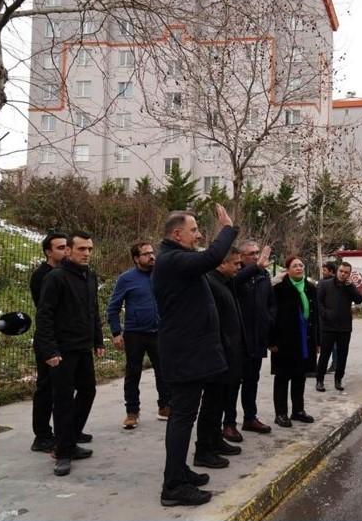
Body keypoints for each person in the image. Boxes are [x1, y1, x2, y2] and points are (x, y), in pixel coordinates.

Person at [152, 205, 237, 507]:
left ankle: (179, 471)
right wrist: (226, 227)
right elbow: (213, 257)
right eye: (194, 229)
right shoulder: (173, 260)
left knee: (186, 417)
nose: (199, 234)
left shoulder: (177, 260)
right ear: (177, 234)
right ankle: (173, 486)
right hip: (184, 354)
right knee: (182, 418)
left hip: (192, 352)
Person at [34, 231, 104, 477]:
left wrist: (98, 339)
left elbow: (92, 310)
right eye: (81, 249)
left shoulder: (90, 277)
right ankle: (63, 452)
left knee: (88, 391)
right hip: (62, 351)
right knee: (62, 399)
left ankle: (68, 440)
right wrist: (49, 349)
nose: (86, 253)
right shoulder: (56, 278)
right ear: (70, 251)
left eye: (90, 249)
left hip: (83, 347)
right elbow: (44, 316)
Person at [107, 241, 170, 430]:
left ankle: (165, 407)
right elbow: (113, 307)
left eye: (152, 253)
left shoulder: (161, 276)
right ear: (136, 258)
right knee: (133, 373)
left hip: (158, 332)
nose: (152, 257)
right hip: (134, 333)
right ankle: (132, 412)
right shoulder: (126, 279)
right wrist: (116, 332)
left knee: (164, 371)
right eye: (146, 254)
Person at [222, 241, 275, 442]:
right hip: (237, 339)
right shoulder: (235, 274)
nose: (255, 256)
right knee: (233, 382)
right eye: (251, 253)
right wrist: (256, 267)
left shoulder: (263, 275)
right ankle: (228, 423)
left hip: (257, 337)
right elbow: (234, 284)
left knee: (252, 380)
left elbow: (271, 302)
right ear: (241, 256)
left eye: (257, 253)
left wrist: (269, 321)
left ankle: (250, 417)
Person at [199, 247, 247, 463]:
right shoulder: (210, 284)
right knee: (210, 404)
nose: (239, 267)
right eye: (235, 263)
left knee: (219, 402)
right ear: (221, 263)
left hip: (230, 354)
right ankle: (204, 450)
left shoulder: (225, 282)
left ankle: (215, 440)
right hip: (217, 356)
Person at [28, 232, 69, 454]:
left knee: (65, 388)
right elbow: (46, 311)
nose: (65, 250)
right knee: (46, 387)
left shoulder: (66, 273)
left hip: (66, 340)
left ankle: (66, 430)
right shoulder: (41, 276)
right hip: (49, 339)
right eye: (60, 247)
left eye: (66, 246)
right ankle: (42, 435)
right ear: (48, 252)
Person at [269, 256, 318, 428]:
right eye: (295, 266)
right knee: (283, 377)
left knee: (300, 376)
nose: (299, 268)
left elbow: (316, 315)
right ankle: (280, 413)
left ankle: (298, 410)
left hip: (305, 338)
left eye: (301, 265)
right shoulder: (280, 289)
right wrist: (272, 340)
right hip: (284, 340)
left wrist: (317, 341)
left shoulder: (311, 288)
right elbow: (272, 316)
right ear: (287, 270)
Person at [315, 261, 362, 392]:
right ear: (337, 271)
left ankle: (338, 379)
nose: (343, 274)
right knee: (324, 355)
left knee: (343, 355)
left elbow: (359, 299)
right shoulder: (324, 284)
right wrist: (325, 315)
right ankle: (320, 380)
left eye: (346, 272)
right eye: (341, 271)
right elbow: (318, 302)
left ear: (349, 274)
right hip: (328, 326)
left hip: (344, 327)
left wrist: (350, 287)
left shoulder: (349, 286)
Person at [320, 261, 338, 372]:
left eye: (325, 270)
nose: (323, 272)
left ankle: (335, 364)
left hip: (334, 318)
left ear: (331, 271)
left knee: (334, 344)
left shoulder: (337, 283)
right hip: (324, 317)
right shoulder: (322, 282)